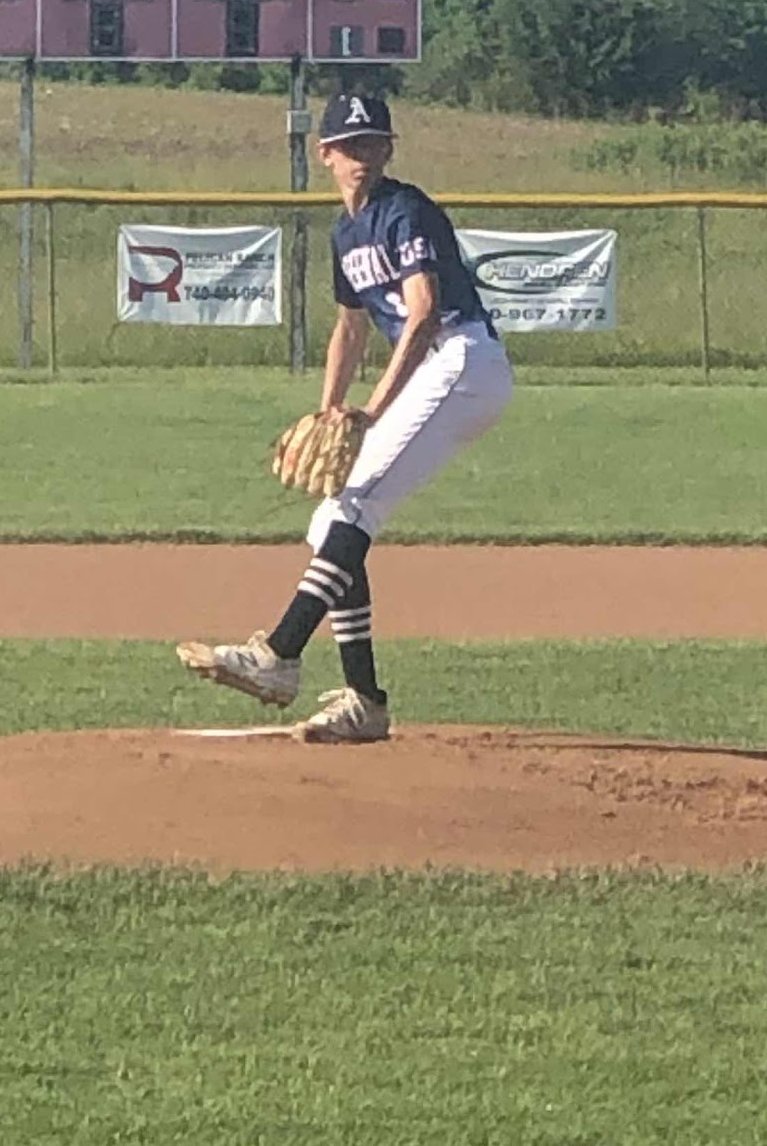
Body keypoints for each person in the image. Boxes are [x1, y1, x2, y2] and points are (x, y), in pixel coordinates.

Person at [177, 92, 514, 742]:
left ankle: (280, 654)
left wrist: (372, 411)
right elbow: (350, 328)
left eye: (373, 143)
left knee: (356, 506)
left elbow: (423, 314)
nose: (362, 155)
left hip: (463, 361)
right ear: (325, 154)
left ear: (388, 150)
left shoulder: (404, 210)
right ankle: (364, 701)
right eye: (349, 145)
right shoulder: (345, 233)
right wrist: (331, 408)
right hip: (438, 372)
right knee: (332, 520)